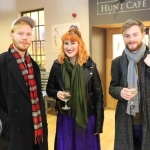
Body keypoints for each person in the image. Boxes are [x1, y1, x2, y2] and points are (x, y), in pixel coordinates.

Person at [46, 25, 104, 150]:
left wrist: (98, 125)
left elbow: (99, 97)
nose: (69, 47)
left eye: (73, 43)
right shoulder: (57, 65)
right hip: (65, 117)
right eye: (66, 43)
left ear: (80, 45)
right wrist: (56, 93)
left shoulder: (90, 66)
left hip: (87, 118)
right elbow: (49, 89)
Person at [0, 16, 48, 150]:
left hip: (35, 128)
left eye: (28, 34)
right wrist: (6, 121)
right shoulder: (2, 62)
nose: (25, 38)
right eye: (20, 33)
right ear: (11, 35)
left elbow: (37, 98)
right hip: (13, 131)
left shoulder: (33, 65)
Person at [109, 18, 150, 150]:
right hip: (125, 121)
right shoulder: (117, 62)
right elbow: (112, 87)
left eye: (135, 34)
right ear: (123, 37)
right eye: (127, 36)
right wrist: (119, 91)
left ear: (143, 34)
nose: (131, 39)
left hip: (147, 120)